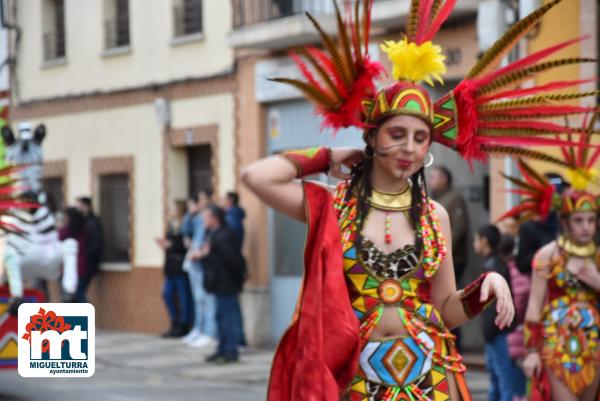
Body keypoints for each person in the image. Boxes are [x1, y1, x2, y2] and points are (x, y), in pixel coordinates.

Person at [242, 1, 593, 399]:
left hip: (427, 376)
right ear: (372, 137)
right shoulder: (334, 205)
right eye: (396, 134)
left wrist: (485, 286)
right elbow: (256, 177)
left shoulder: (433, 215)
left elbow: (446, 308)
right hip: (356, 376)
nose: (408, 147)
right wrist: (326, 156)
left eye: (420, 137)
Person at [499, 123, 600, 401]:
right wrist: (532, 352)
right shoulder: (547, 256)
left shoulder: (598, 256)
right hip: (557, 341)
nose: (586, 228)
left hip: (594, 341)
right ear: (565, 221)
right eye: (579, 220)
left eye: (591, 220)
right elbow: (534, 305)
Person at [473, 225, 526, 401]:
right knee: (497, 374)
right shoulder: (494, 263)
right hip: (495, 331)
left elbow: (493, 304)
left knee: (503, 375)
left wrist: (489, 330)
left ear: (484, 241)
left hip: (497, 330)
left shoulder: (494, 267)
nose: (475, 243)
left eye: (476, 239)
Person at [198, 205, 246, 363]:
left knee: (227, 318)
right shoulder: (213, 234)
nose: (203, 220)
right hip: (219, 283)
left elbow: (231, 259)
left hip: (226, 282)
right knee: (220, 317)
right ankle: (222, 349)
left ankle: (231, 352)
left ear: (214, 218)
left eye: (206, 217)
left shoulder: (224, 235)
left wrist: (207, 254)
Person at [515, 173, 569, 275]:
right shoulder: (530, 227)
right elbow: (521, 265)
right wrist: (546, 254)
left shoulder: (567, 223)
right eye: (556, 193)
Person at [184, 191, 217, 348]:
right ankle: (199, 329)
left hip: (204, 264)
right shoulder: (197, 218)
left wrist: (200, 252)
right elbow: (188, 232)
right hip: (195, 263)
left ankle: (209, 332)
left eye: (203, 200)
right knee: (198, 298)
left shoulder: (212, 221)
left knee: (207, 300)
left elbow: (208, 242)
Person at [156, 200, 192, 338]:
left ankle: (183, 325)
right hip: (170, 266)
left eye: (172, 208)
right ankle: (174, 322)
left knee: (184, 297)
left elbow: (185, 245)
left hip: (180, 266)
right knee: (167, 294)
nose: (170, 211)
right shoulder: (171, 225)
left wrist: (171, 245)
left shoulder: (184, 225)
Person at [428, 165, 469, 282]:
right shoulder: (434, 199)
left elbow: (459, 228)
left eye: (433, 177)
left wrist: (443, 253)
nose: (429, 180)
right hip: (434, 258)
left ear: (444, 179)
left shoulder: (455, 198)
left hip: (452, 259)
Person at [75, 196, 103, 303]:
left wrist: (83, 255)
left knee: (79, 291)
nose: (79, 210)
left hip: (88, 264)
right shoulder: (82, 223)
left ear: (87, 207)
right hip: (82, 264)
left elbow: (96, 245)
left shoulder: (93, 223)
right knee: (78, 292)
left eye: (81, 207)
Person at [58, 207, 87, 301]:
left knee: (69, 296)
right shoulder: (84, 230)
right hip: (81, 267)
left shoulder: (65, 231)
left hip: (69, 269)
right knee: (80, 293)